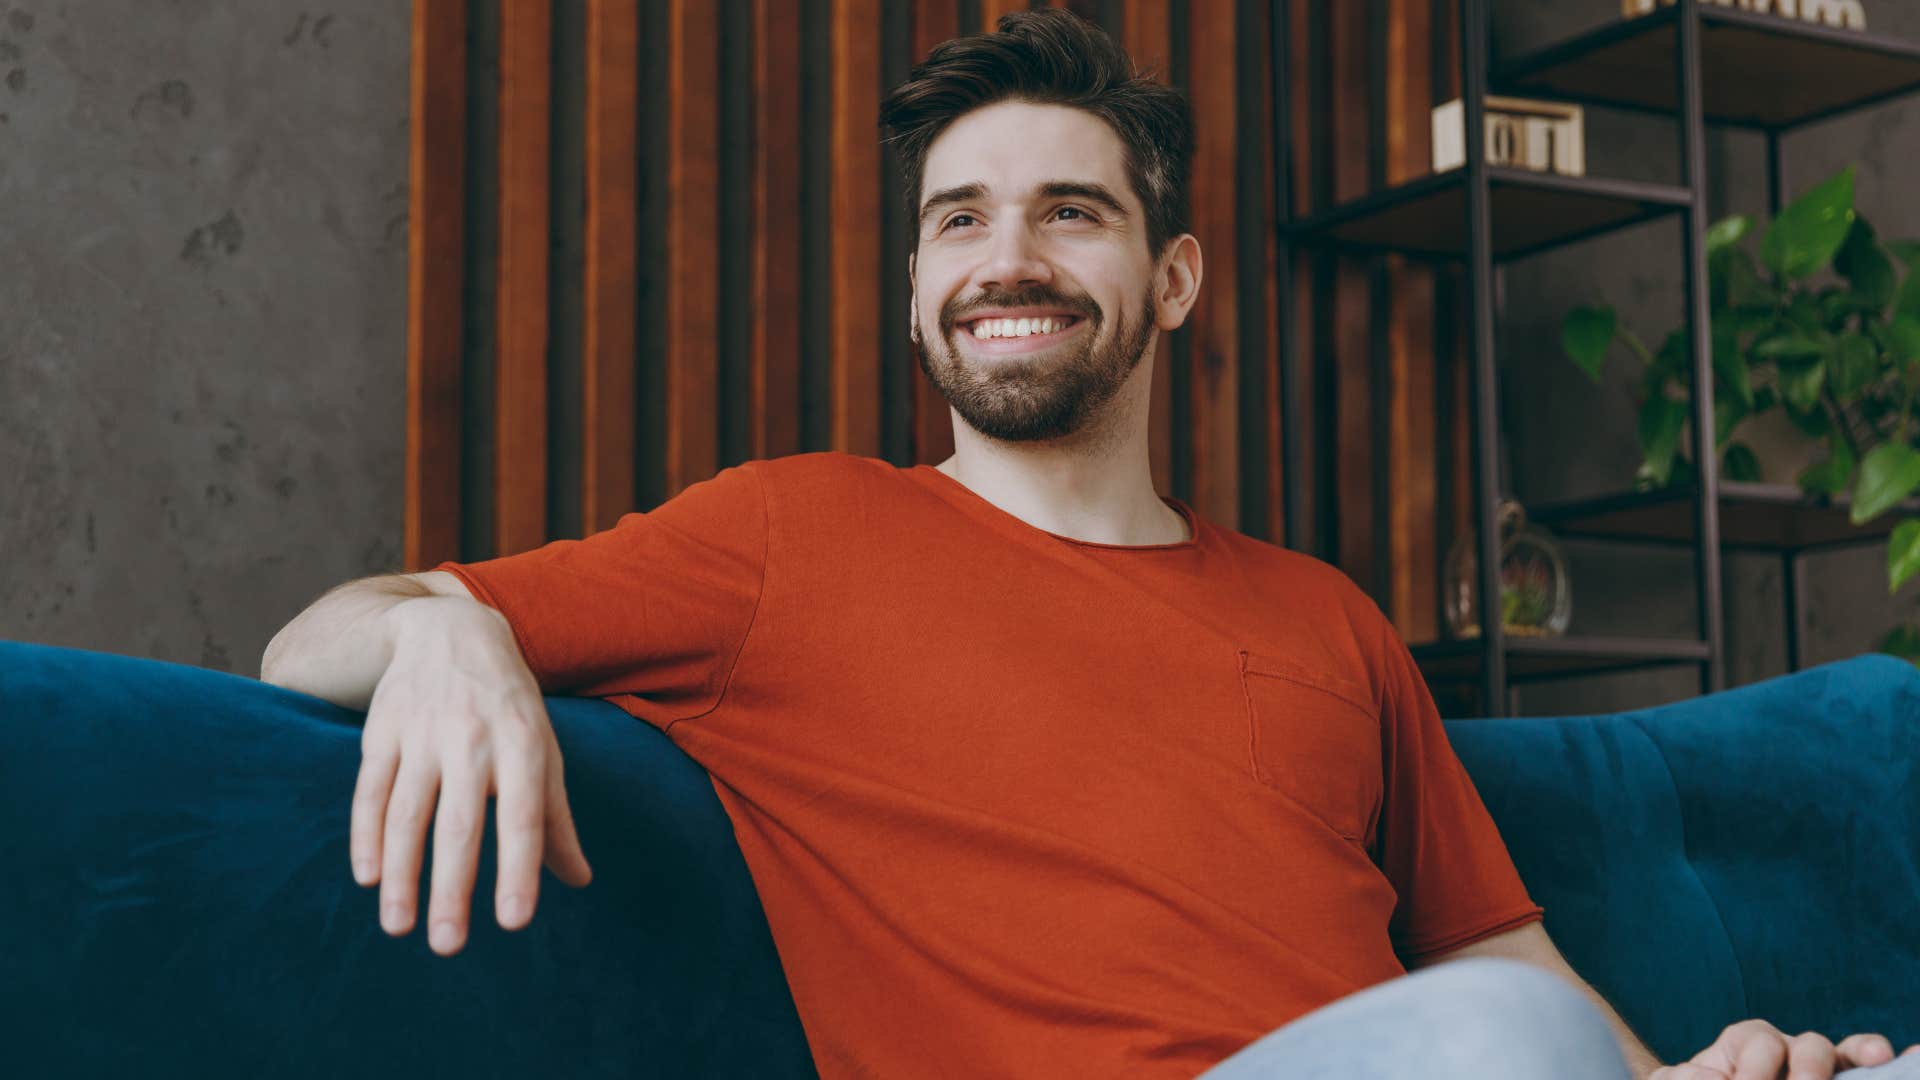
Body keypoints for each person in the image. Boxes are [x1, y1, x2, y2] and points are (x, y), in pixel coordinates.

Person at [260, 9, 1919, 1080]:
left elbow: (1493, 941)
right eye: (958, 221)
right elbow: (309, 639)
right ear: (920, 293)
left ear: (1173, 280)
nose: (1007, 257)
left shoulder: (1324, 617)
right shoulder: (790, 535)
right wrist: (449, 624)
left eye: (1072, 210)